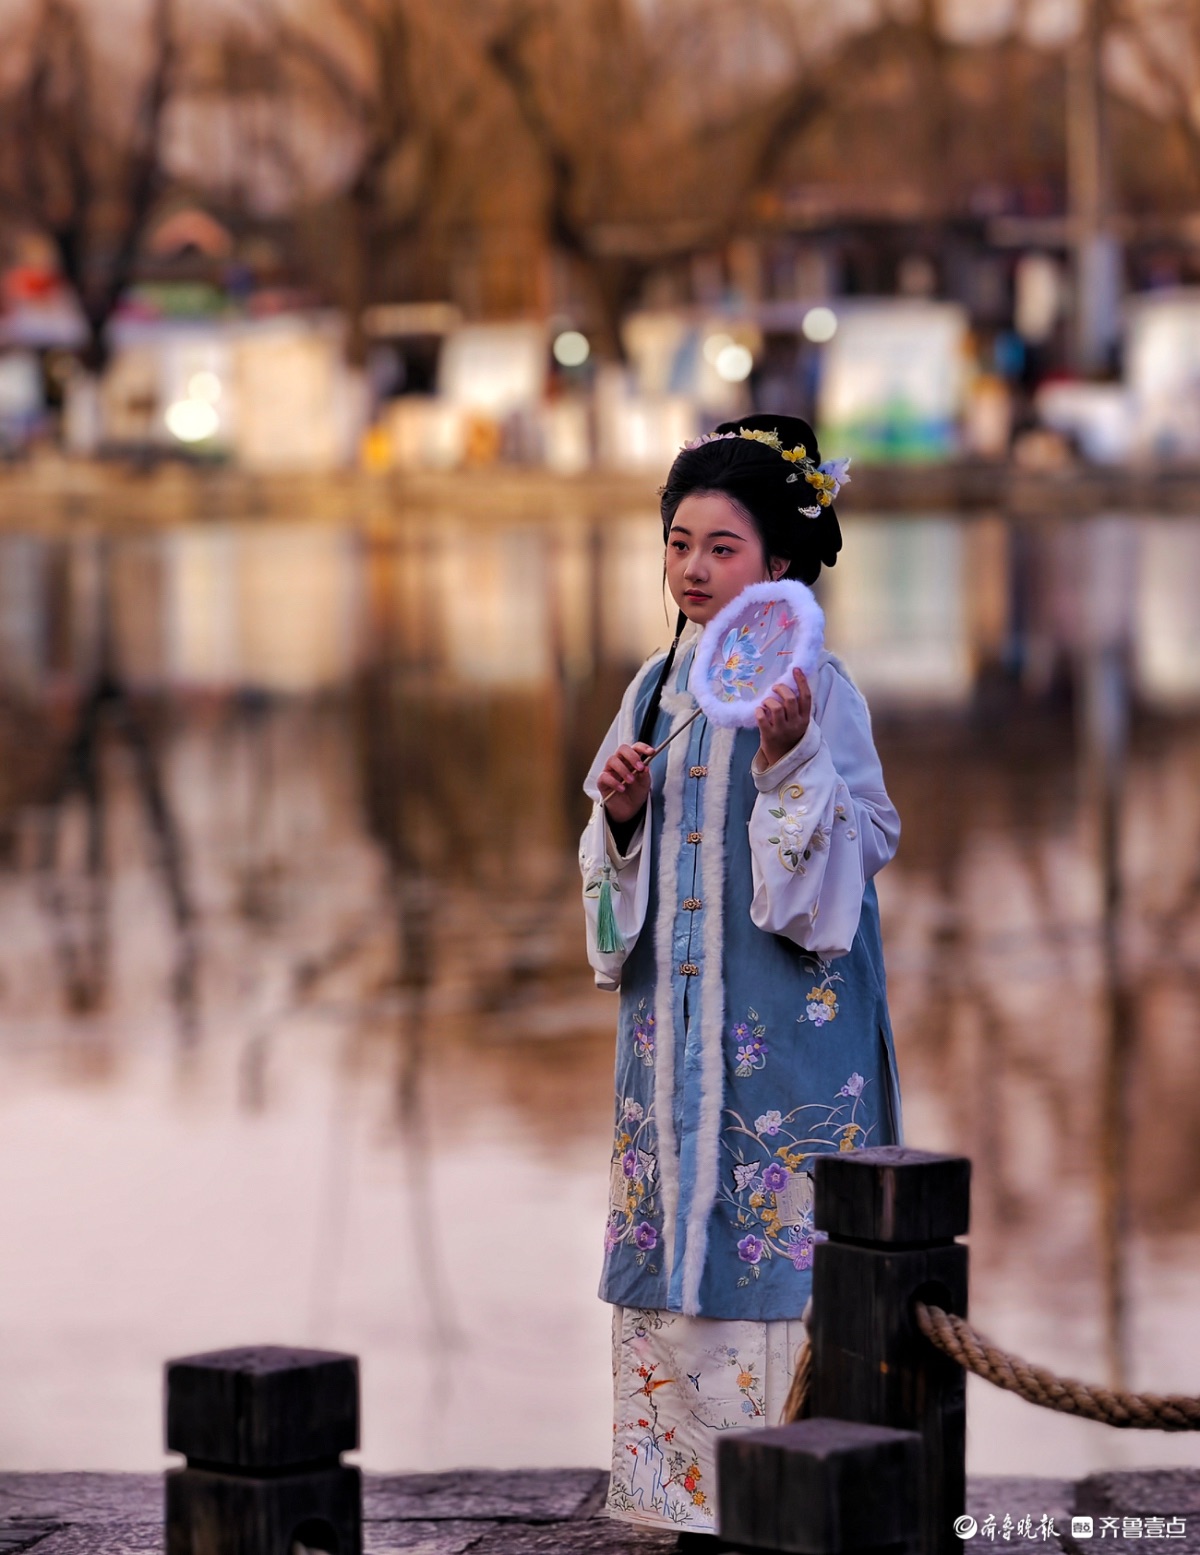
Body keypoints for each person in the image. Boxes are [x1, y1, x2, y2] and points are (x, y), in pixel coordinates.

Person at [579, 414, 903, 1547]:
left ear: (778, 563)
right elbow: (612, 905)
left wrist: (790, 760)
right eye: (678, 544)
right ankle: (680, 1498)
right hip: (670, 1046)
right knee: (672, 1252)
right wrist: (619, 816)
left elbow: (840, 881)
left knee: (783, 1254)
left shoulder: (821, 688)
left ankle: (789, 1495)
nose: (695, 571)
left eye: (722, 547)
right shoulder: (653, 691)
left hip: (785, 1045)